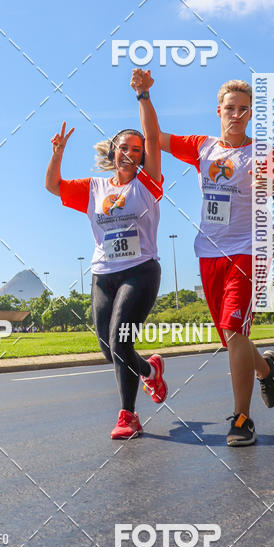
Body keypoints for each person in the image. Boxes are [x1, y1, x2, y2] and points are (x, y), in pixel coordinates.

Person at [158, 79, 274, 446]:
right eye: (230, 108)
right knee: (229, 335)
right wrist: (143, 96)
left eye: (243, 109)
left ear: (250, 114)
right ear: (218, 111)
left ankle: (242, 420)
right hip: (209, 253)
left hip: (249, 252)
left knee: (235, 331)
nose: (236, 114)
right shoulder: (202, 147)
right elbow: (155, 137)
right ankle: (265, 369)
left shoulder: (264, 154)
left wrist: (271, 186)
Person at [45, 69, 167, 439]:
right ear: (113, 152)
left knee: (120, 342)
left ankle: (127, 415)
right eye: (124, 148)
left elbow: (153, 141)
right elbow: (53, 186)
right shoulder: (95, 186)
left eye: (136, 149)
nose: (129, 153)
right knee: (107, 349)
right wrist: (57, 154)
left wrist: (143, 95)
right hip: (103, 273)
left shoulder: (148, 183)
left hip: (140, 271)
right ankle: (150, 371)